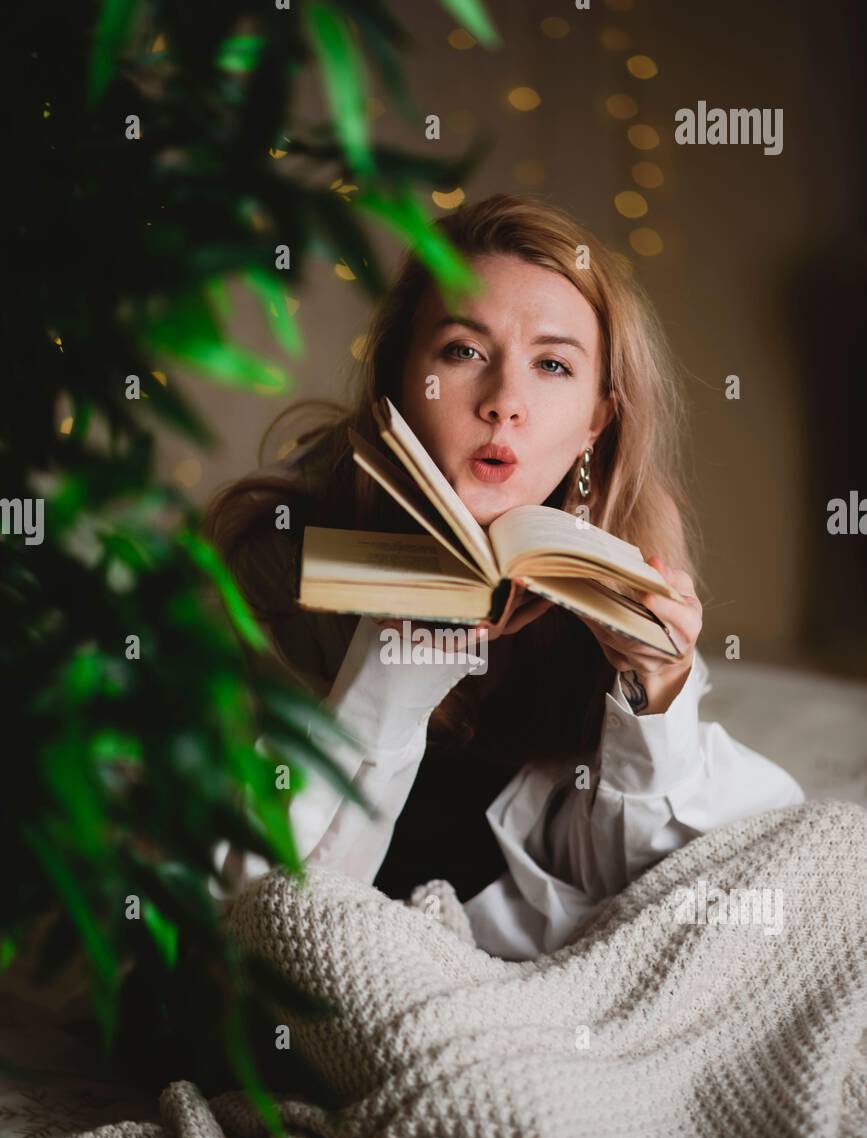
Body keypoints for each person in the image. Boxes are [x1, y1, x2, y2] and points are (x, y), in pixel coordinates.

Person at [203, 194, 804, 960]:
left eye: (552, 365)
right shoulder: (276, 558)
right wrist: (385, 674)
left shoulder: (612, 557)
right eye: (462, 352)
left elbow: (664, 889)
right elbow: (258, 910)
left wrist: (656, 701)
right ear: (397, 380)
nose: (504, 405)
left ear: (596, 421)